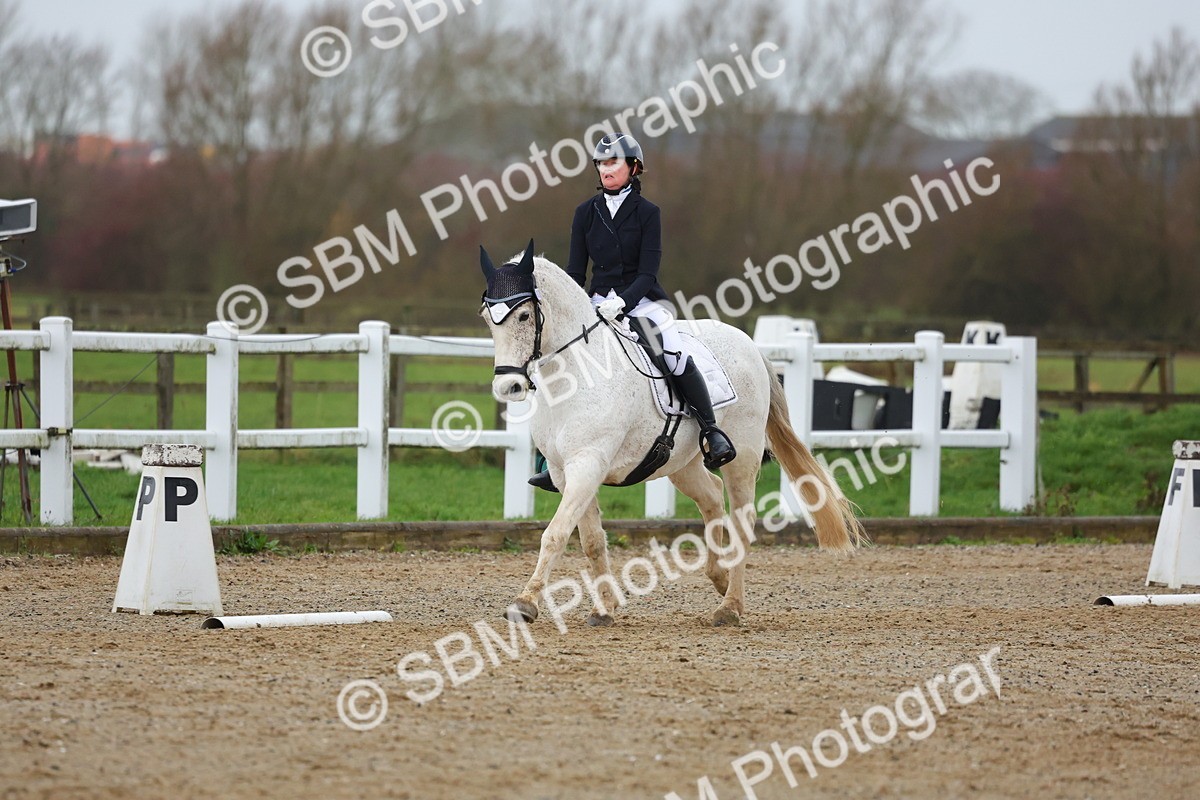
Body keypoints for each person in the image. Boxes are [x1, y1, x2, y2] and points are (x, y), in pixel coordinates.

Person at [529, 132, 735, 491]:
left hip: (642, 301)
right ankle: (551, 456)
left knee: (670, 352)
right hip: (596, 304)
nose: (606, 169)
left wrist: (623, 302)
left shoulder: (647, 213)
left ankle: (710, 430)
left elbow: (648, 273)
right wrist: (575, 307)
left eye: (613, 162)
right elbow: (576, 272)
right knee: (561, 360)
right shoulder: (585, 213)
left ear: (633, 167)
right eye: (601, 163)